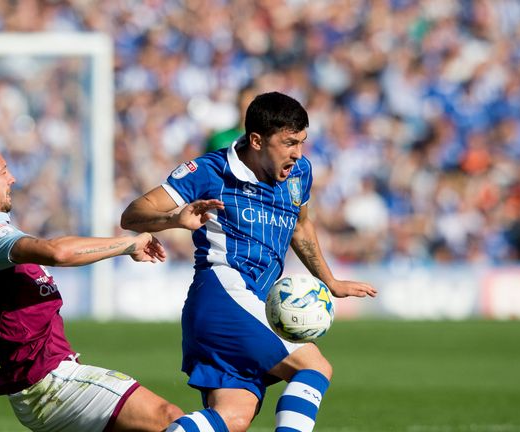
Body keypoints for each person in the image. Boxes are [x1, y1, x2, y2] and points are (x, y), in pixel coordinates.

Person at [121, 92, 378, 432]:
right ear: (257, 140)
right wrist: (175, 219)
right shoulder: (211, 171)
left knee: (233, 418)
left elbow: (300, 226)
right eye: (288, 143)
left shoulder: (299, 172)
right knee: (313, 367)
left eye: (301, 142)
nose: (297, 153)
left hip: (254, 302)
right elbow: (133, 215)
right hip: (223, 295)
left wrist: (329, 281)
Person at [0, 142, 183, 432]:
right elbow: (58, 252)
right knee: (167, 417)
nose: (12, 178)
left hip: (42, 382)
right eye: (3, 171)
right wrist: (129, 243)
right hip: (48, 383)